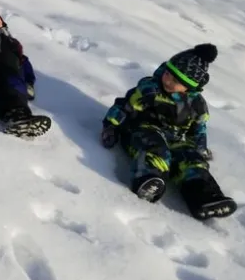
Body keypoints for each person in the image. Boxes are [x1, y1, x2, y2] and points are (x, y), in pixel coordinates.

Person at [101, 43, 236, 219]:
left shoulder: (197, 106)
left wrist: (199, 149)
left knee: (192, 161)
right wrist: (111, 126)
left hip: (178, 139)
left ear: (189, 86)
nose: (168, 80)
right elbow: (124, 107)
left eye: (175, 81)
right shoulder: (150, 90)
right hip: (144, 130)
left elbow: (199, 130)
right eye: (167, 74)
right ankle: (148, 180)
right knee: (157, 150)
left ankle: (205, 198)